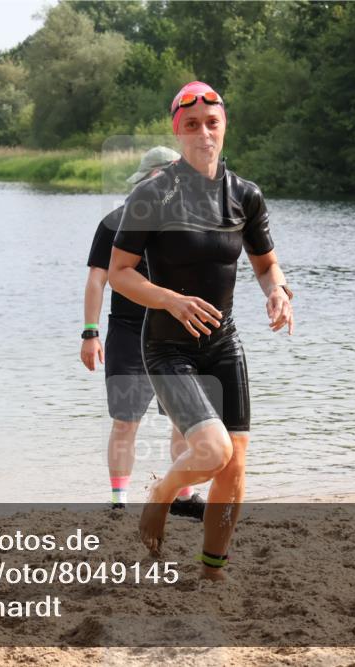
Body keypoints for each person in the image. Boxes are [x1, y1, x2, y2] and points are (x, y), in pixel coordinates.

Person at [108, 81, 294, 580]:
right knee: (212, 451)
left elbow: (267, 264)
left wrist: (276, 291)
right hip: (167, 347)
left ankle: (212, 570)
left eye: (212, 123)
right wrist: (171, 299)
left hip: (223, 343)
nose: (203, 133)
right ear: (178, 130)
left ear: (224, 126)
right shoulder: (152, 195)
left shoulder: (245, 197)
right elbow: (119, 272)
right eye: (191, 125)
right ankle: (162, 493)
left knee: (234, 468)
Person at [81, 146, 205, 518]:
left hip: (177, 332)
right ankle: (120, 501)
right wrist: (90, 333)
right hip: (128, 332)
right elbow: (97, 280)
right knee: (125, 422)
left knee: (185, 422)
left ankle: (182, 496)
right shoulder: (115, 222)